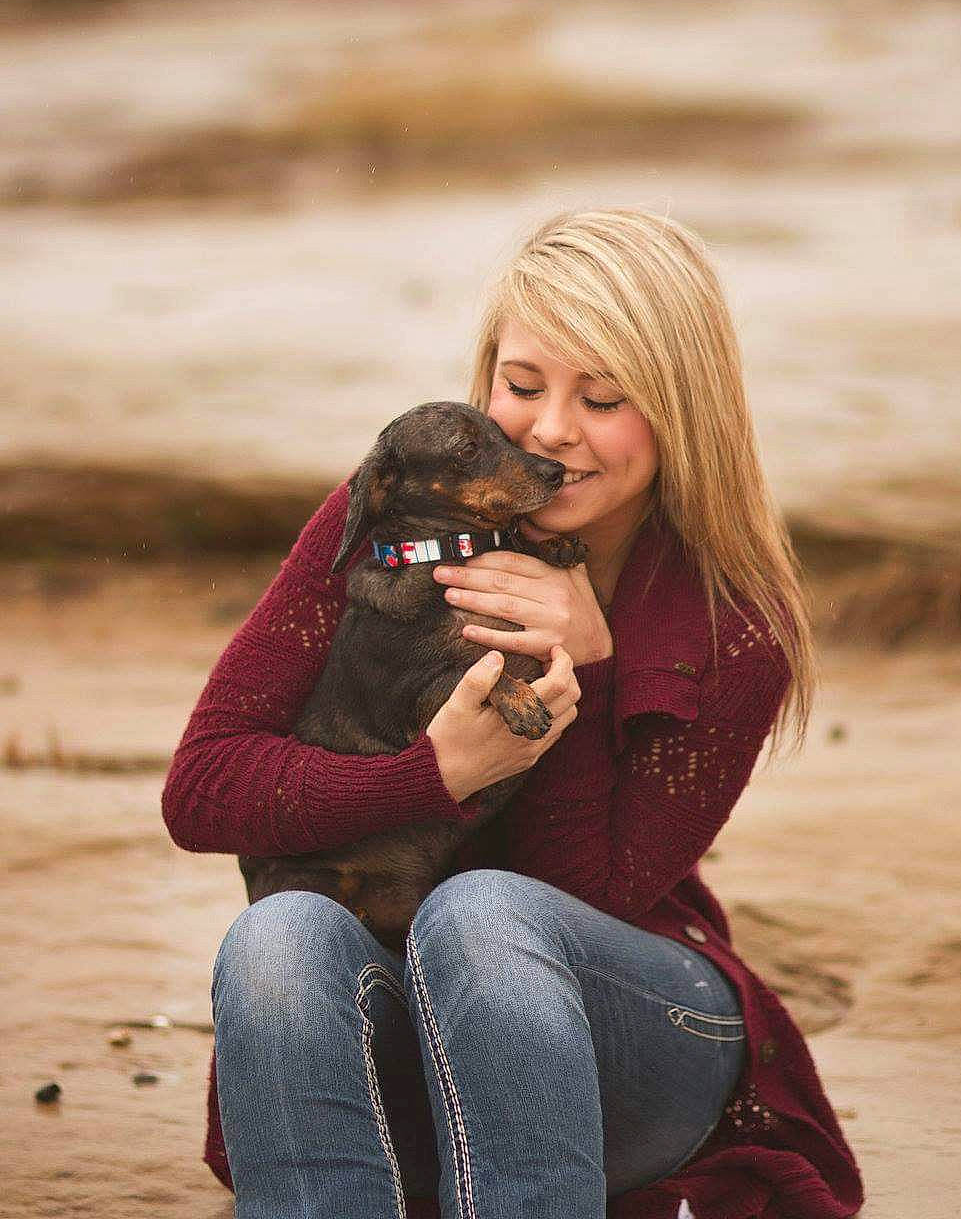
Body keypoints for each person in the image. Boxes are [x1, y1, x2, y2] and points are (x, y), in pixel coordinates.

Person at [162, 207, 864, 1219]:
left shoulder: (735, 624)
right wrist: (431, 775)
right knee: (278, 934)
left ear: (684, 409)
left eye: (604, 397)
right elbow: (202, 791)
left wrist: (585, 666)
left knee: (480, 914)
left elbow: (590, 893)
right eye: (522, 386)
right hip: (404, 1034)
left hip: (634, 1040)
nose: (550, 431)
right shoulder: (392, 522)